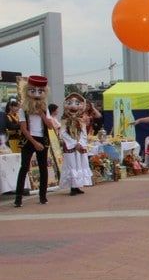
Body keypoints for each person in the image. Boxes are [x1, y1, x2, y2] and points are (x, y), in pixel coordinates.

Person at [14, 75, 58, 207]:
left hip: (42, 139)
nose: (36, 94)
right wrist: (34, 143)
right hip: (29, 140)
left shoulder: (44, 109)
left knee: (43, 168)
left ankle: (43, 196)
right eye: (33, 91)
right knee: (24, 167)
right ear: (27, 91)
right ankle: (18, 198)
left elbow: (50, 126)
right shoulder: (23, 109)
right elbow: (23, 129)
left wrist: (42, 114)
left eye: (40, 91)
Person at [58, 93, 92, 196]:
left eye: (77, 103)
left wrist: (80, 143)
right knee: (71, 165)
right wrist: (73, 143)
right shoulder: (64, 120)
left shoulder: (81, 120)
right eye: (70, 103)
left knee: (79, 165)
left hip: (79, 146)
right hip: (70, 147)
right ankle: (72, 187)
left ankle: (77, 186)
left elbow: (83, 133)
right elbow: (62, 133)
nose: (73, 106)